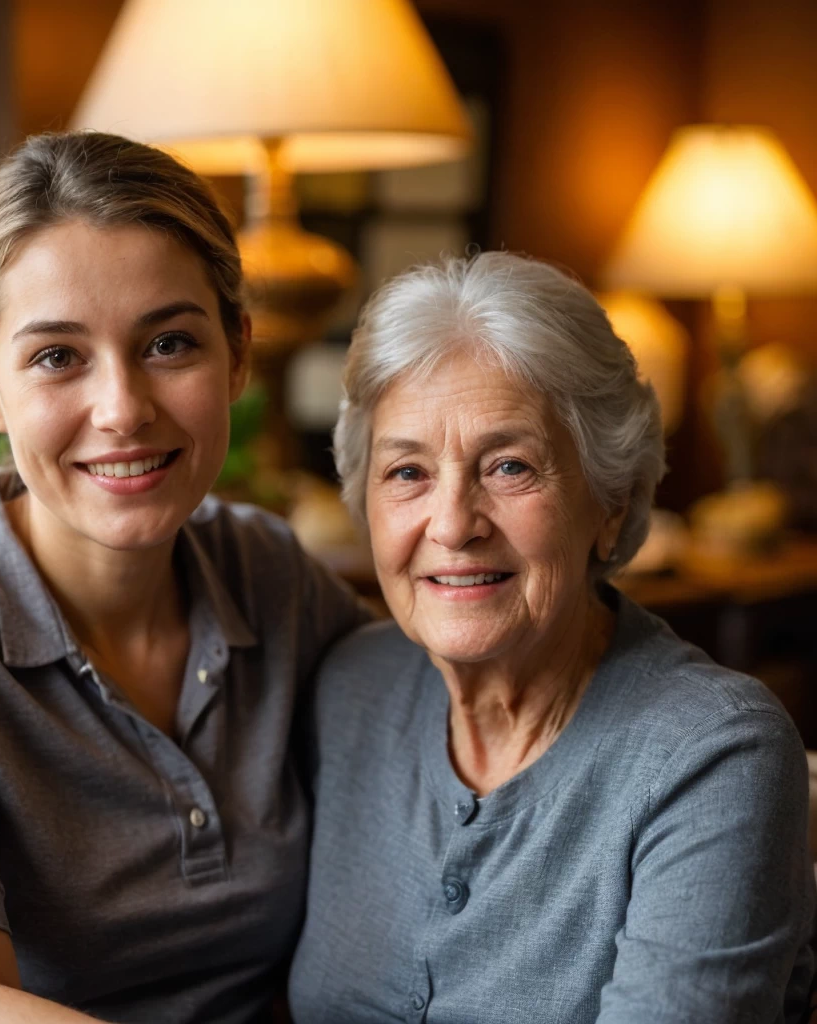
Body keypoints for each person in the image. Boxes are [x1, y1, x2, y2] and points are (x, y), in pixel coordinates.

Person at [0, 131, 367, 1024]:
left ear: (237, 353)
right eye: (57, 357)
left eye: (169, 343)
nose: (122, 409)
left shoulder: (270, 574)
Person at [289, 252, 816, 1023]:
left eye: (508, 466)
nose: (452, 524)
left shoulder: (713, 755)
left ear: (610, 502)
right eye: (407, 473)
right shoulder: (348, 690)